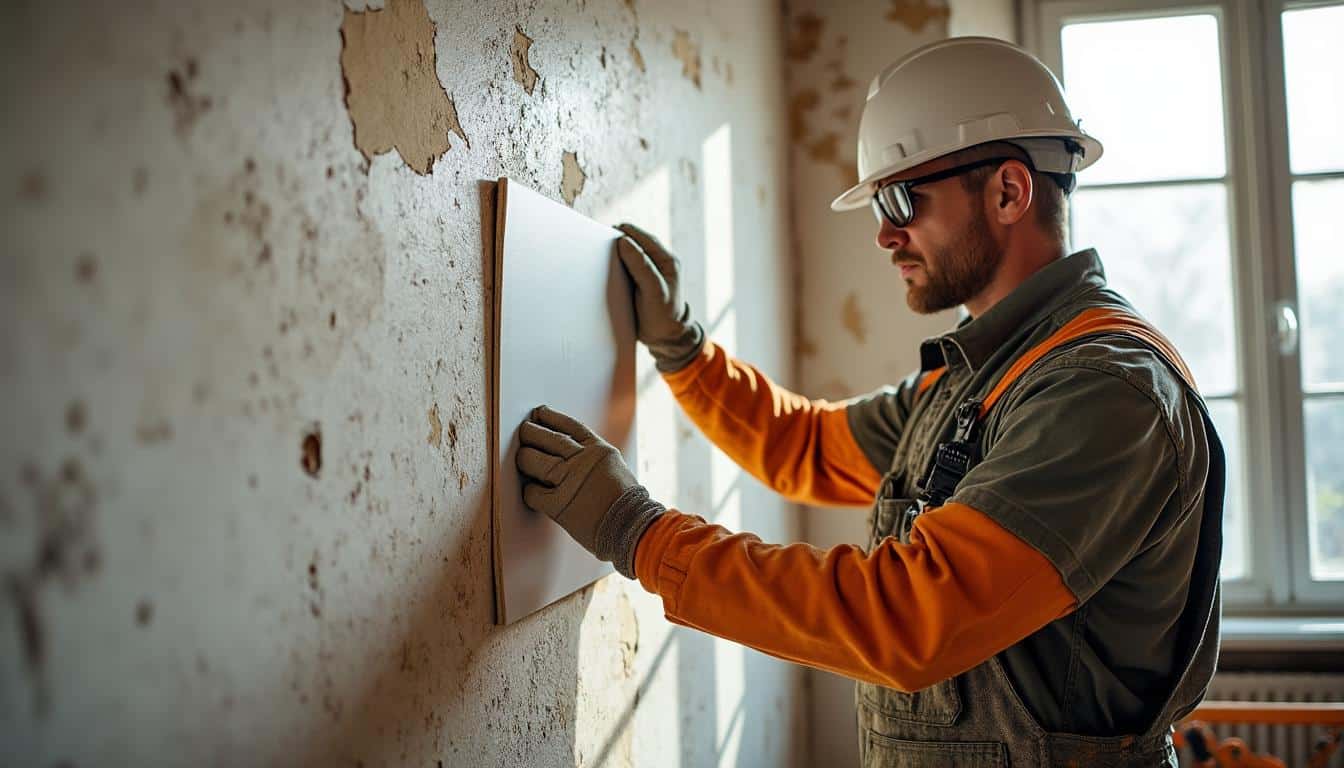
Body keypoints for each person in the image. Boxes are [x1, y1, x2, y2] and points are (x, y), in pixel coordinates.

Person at [514, 37, 1224, 767]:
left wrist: (639, 534)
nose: (885, 234)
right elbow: (806, 449)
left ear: (1010, 192)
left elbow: (912, 618)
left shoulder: (1101, 392)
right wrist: (686, 352)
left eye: (901, 199)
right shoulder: (980, 374)